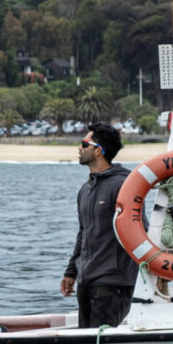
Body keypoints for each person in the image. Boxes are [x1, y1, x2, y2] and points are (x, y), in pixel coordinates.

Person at [60, 123, 134, 328]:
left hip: (113, 283)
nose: (79, 148)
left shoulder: (124, 185)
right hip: (87, 281)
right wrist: (71, 272)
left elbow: (138, 230)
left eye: (84, 143)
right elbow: (83, 233)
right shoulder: (86, 189)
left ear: (98, 150)